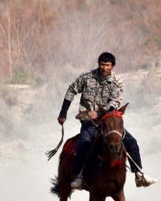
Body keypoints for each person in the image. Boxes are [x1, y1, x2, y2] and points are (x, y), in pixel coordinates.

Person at [58, 51, 156, 189]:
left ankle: (139, 175)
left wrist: (98, 113)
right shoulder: (86, 77)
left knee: (131, 142)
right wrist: (63, 113)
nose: (104, 67)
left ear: (113, 66)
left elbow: (114, 103)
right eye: (102, 64)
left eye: (107, 65)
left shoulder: (117, 82)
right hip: (88, 121)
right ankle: (79, 176)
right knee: (84, 142)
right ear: (98, 64)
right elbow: (71, 91)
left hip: (109, 122)